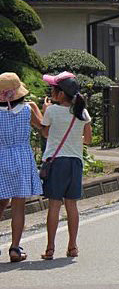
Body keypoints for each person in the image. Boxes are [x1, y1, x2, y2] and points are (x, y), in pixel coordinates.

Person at [39, 72, 91, 260]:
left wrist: (44, 110)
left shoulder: (51, 110)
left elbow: (45, 133)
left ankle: (50, 248)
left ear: (60, 94)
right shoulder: (81, 111)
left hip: (56, 161)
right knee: (72, 206)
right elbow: (88, 139)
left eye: (53, 89)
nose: (51, 91)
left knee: (54, 205)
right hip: (75, 162)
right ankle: (72, 247)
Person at [0, 72, 43, 262]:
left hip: (1, 156)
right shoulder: (28, 108)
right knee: (18, 207)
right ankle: (15, 249)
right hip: (22, 158)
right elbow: (44, 129)